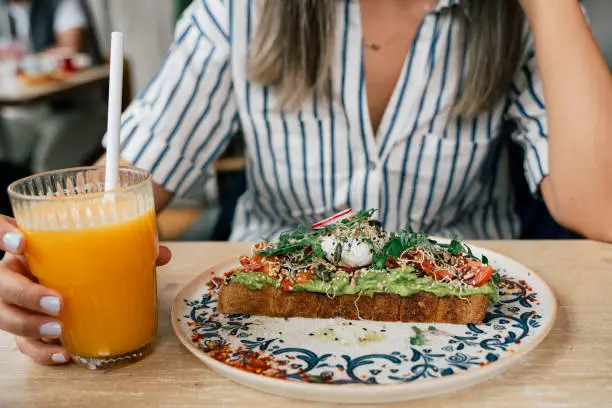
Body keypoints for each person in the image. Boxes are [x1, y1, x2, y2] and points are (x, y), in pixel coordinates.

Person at [1, 0, 611, 364]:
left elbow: (601, 206)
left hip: (479, 342)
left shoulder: (522, 18)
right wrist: (31, 263)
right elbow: (117, 190)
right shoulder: (238, 11)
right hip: (260, 340)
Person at [0, 0, 106, 173]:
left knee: (48, 165)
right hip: (26, 112)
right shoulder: (4, 9)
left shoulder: (61, 4)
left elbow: (70, 50)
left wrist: (25, 61)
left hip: (76, 109)